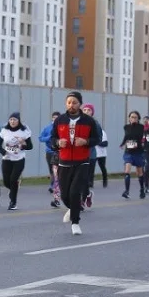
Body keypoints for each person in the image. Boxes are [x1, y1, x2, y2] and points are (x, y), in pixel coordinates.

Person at [51, 91, 100, 236]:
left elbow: (97, 139)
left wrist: (85, 142)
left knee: (74, 192)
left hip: (82, 162)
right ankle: (72, 208)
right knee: (65, 195)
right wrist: (58, 143)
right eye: (69, 102)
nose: (71, 105)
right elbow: (52, 139)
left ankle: (75, 223)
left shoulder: (89, 121)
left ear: (80, 104)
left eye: (74, 102)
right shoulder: (59, 120)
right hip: (64, 161)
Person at [0, 112, 32, 210]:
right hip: (7, 158)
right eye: (11, 119)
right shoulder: (5, 130)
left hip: (19, 159)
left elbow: (30, 146)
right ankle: (13, 190)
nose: (12, 121)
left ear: (18, 121)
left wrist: (22, 143)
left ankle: (13, 202)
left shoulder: (24, 131)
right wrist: (3, 151)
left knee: (13, 179)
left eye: (15, 120)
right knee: (6, 182)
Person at [120, 111, 148, 200]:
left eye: (135, 117)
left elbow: (139, 137)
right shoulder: (126, 127)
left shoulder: (141, 127)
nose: (133, 119)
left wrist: (134, 125)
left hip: (138, 152)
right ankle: (126, 191)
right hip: (128, 151)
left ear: (138, 119)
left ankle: (142, 190)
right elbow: (126, 136)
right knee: (127, 170)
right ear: (129, 118)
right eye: (132, 117)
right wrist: (122, 143)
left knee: (139, 172)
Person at [83, 103, 109, 189]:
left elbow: (99, 139)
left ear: (92, 112)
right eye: (84, 110)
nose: (86, 111)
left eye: (89, 110)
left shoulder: (95, 124)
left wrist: (88, 141)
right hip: (79, 153)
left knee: (90, 175)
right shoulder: (78, 122)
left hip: (92, 154)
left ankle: (90, 188)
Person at [39, 111, 61, 207]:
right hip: (50, 152)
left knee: (60, 174)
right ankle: (54, 192)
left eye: (57, 117)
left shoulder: (63, 127)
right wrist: (49, 138)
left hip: (62, 153)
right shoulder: (47, 128)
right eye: (54, 117)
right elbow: (41, 138)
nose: (55, 119)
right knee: (53, 172)